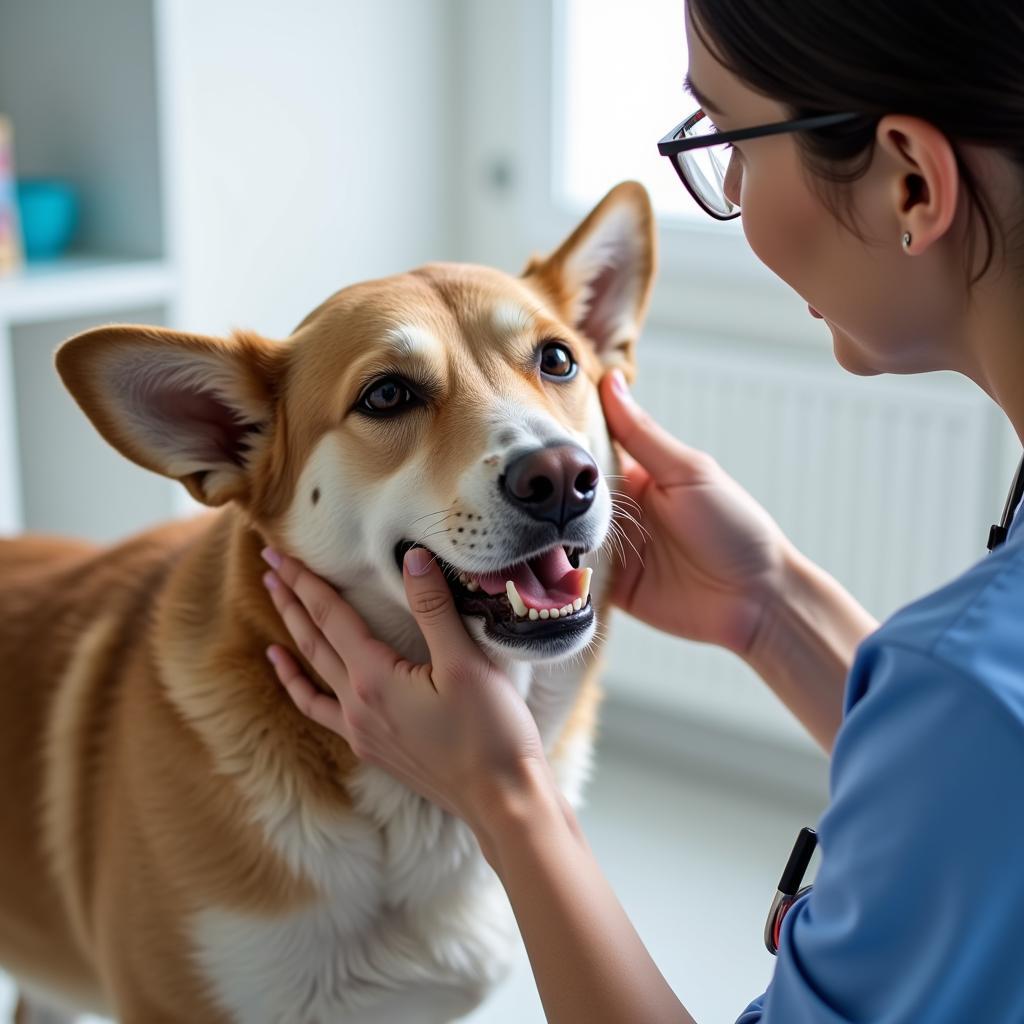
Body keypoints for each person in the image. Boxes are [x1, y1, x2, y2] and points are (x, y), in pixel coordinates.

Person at [258, 2, 1024, 1020]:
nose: (733, 194)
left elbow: (979, 735)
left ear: (909, 182)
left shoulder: (966, 684)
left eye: (726, 143)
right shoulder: (968, 690)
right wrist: (767, 604)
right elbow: (981, 791)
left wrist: (506, 799)